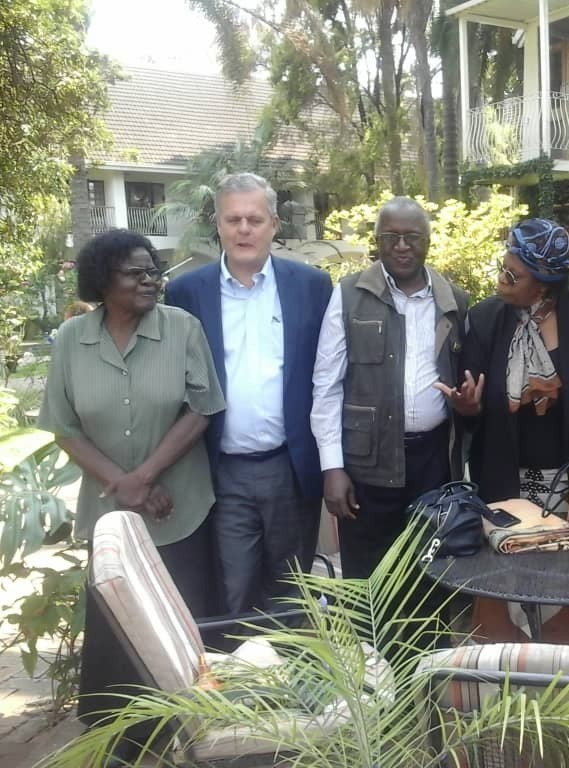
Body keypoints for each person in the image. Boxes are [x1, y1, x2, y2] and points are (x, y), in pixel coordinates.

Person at [38, 229, 225, 764]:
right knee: (117, 627)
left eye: (154, 271)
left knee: (179, 626)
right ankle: (121, 743)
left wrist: (144, 477)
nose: (151, 280)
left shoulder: (181, 328)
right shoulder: (73, 338)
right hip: (109, 514)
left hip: (181, 508)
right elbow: (64, 426)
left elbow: (204, 408)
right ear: (102, 281)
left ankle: (192, 737)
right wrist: (124, 485)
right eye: (135, 273)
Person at [165, 172, 333, 616]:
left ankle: (298, 680)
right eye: (233, 219)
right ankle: (238, 680)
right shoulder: (185, 293)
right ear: (217, 226)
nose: (244, 229)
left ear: (274, 224)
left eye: (254, 219)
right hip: (220, 471)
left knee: (293, 592)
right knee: (231, 590)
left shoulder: (311, 287)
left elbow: (331, 375)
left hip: (290, 467)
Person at [441, 218, 569, 641]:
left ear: (544, 285)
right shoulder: (485, 319)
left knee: (567, 588)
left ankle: (559, 683)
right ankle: (503, 685)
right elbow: (472, 402)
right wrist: (468, 408)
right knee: (504, 584)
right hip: (505, 479)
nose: (501, 279)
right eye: (502, 267)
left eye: (512, 275)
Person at [311, 196, 469, 579]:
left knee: (430, 580)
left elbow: (466, 380)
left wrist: (468, 407)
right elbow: (326, 385)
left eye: (412, 236)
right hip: (367, 465)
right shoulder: (348, 295)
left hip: (433, 463)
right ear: (376, 240)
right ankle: (369, 643)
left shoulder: (454, 301)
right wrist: (332, 468)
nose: (401, 246)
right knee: (369, 581)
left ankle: (430, 643)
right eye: (391, 237)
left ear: (428, 241)